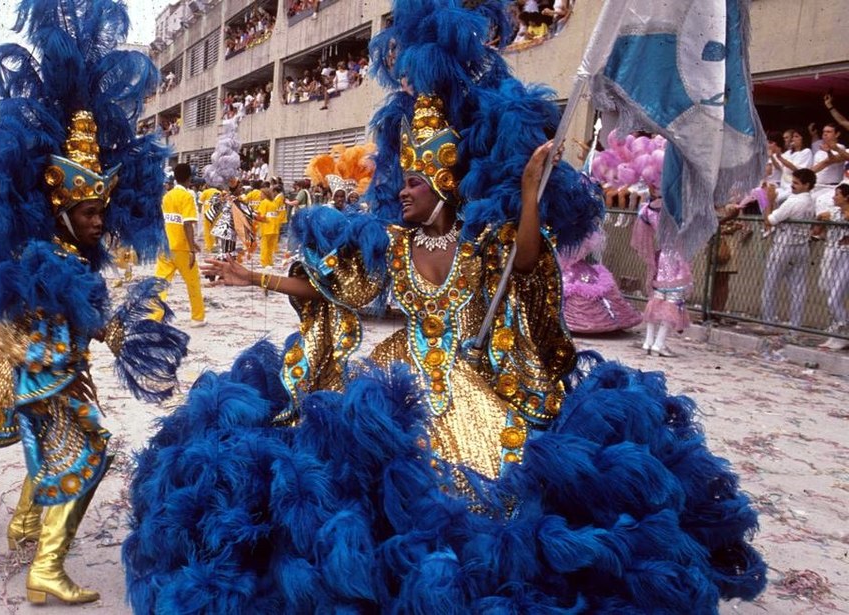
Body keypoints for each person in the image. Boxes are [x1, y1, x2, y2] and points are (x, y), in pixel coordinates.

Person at [123, 1, 765, 605]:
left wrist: (530, 191)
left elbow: (528, 260)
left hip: (469, 380)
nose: (397, 191)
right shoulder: (395, 246)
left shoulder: (481, 243)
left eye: (410, 180)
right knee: (343, 470)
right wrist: (252, 277)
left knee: (477, 493)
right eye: (398, 178)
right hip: (399, 376)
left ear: (442, 181)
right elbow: (334, 290)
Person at [0, 1, 187, 605]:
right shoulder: (44, 261)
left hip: (58, 375)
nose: (99, 220)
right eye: (89, 211)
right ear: (62, 210)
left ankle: (27, 526)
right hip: (47, 380)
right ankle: (47, 567)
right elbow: (55, 326)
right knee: (87, 455)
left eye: (102, 209)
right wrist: (114, 332)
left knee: (51, 458)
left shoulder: (69, 253)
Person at [632, 196, 692, 357]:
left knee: (657, 297)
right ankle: (659, 344)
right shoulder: (677, 206)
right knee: (673, 299)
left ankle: (648, 341)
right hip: (677, 255)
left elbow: (643, 237)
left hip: (662, 254)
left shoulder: (648, 209)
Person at [761, 168, 817, 328]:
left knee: (770, 284)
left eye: (796, 183)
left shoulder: (794, 201)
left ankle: (769, 322)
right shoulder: (810, 201)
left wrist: (769, 201)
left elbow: (769, 221)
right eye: (792, 182)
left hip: (783, 245)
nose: (792, 186)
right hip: (802, 246)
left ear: (807, 185)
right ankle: (795, 325)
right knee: (798, 287)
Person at [155, 163, 206, 327]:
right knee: (193, 283)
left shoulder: (167, 196)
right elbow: (187, 224)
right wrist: (191, 248)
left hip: (165, 245)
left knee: (161, 283)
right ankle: (197, 318)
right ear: (189, 178)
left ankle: (155, 317)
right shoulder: (187, 197)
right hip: (182, 247)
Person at [816, 183, 849, 350]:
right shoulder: (835, 211)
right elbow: (821, 217)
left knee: (834, 297)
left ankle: (843, 331)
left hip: (846, 256)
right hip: (833, 253)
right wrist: (822, 219)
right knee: (830, 294)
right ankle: (835, 333)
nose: (834, 197)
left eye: (837, 195)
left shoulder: (843, 212)